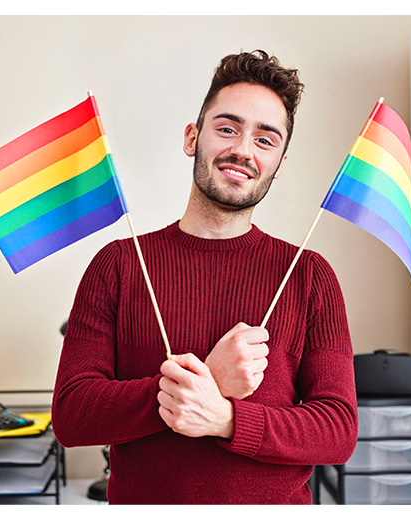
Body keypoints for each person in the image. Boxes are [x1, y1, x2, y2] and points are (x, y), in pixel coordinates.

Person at [52, 49, 358, 504]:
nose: (242, 150)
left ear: (279, 164)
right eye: (228, 128)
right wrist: (204, 380)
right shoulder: (117, 264)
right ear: (193, 137)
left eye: (265, 139)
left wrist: (226, 419)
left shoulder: (310, 276)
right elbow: (73, 417)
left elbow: (337, 431)